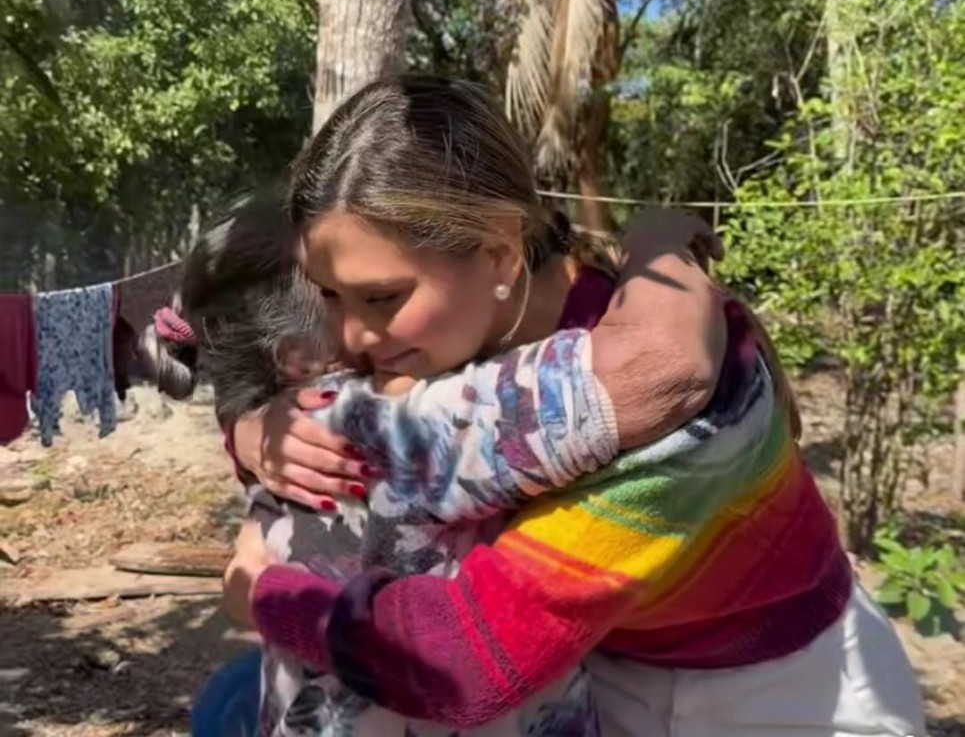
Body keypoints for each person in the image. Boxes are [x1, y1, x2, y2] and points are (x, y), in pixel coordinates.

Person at [216, 75, 925, 737]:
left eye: (379, 298)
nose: (350, 336)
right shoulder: (448, 334)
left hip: (781, 697)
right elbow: (351, 416)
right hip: (601, 671)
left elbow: (463, 658)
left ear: (498, 256)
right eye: (329, 296)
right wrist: (257, 433)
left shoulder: (676, 395)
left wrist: (268, 597)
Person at [149, 188, 726, 736]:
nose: (372, 321)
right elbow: (658, 369)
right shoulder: (429, 420)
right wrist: (658, 244)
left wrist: (246, 436)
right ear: (299, 352)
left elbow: (243, 578)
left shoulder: (287, 434)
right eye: (348, 293)